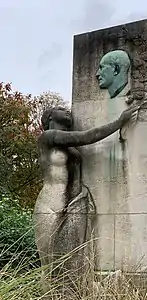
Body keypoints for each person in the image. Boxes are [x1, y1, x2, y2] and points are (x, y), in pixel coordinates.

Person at [33, 105, 139, 278]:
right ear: (50, 118)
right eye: (60, 108)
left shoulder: (69, 147)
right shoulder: (48, 137)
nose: (67, 110)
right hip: (50, 206)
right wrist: (119, 122)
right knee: (51, 265)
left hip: (73, 203)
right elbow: (87, 136)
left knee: (72, 258)